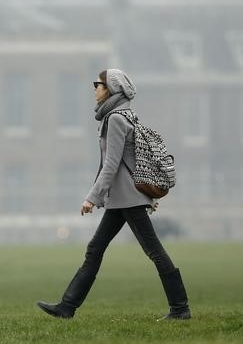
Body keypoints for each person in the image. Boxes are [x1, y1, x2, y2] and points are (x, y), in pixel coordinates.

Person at [37, 68, 191, 320]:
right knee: (95, 248)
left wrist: (92, 198)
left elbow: (111, 164)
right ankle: (67, 306)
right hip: (121, 199)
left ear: (111, 89)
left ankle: (180, 308)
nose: (95, 89)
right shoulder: (123, 115)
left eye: (98, 84)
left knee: (154, 251)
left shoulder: (117, 119)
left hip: (128, 199)